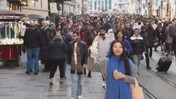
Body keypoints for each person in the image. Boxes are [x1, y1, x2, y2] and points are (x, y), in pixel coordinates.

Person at [67, 31, 88, 99]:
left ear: (78, 36)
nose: (73, 37)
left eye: (75, 36)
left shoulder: (83, 44)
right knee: (74, 80)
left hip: (80, 65)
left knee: (79, 81)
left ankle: (79, 94)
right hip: (73, 65)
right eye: (73, 36)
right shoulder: (70, 44)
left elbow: (86, 54)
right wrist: (69, 62)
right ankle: (73, 95)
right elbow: (68, 54)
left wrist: (85, 63)